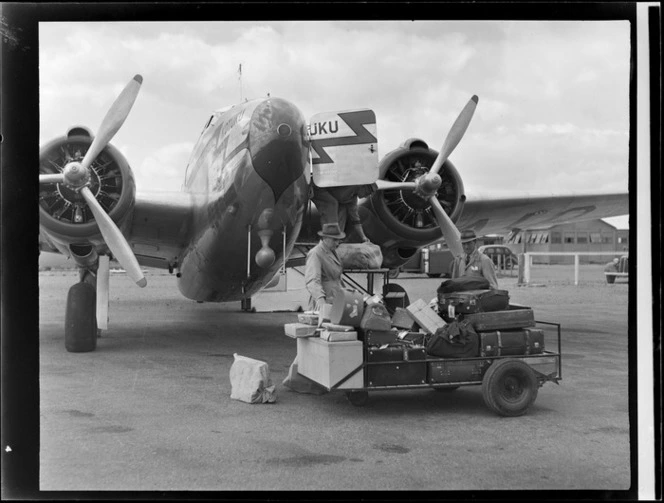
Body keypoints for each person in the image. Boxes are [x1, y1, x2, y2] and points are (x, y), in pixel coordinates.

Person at [310, 183, 376, 243]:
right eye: (368, 192)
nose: (366, 196)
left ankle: (336, 240)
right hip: (318, 188)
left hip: (331, 195)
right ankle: (328, 240)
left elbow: (355, 220)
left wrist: (363, 237)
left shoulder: (352, 199)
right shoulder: (350, 184)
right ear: (363, 186)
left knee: (343, 211)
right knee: (332, 203)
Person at [304, 223, 347, 311]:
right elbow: (312, 281)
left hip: (335, 299)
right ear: (325, 238)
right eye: (334, 240)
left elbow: (336, 278)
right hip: (323, 302)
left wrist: (347, 294)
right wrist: (321, 301)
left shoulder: (334, 252)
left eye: (338, 240)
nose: (337, 243)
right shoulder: (316, 253)